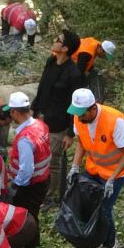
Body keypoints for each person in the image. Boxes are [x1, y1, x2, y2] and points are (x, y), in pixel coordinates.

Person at [65, 89, 124, 248]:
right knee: (87, 206)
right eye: (77, 114)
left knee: (104, 209)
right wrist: (75, 166)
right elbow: (81, 143)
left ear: (93, 109)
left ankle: (109, 245)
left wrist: (112, 179)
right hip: (94, 168)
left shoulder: (114, 120)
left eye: (82, 114)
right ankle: (88, 246)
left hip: (115, 172)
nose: (79, 118)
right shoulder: (78, 117)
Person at [31, 30, 82, 202]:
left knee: (53, 163)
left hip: (59, 125)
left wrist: (70, 133)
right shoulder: (51, 61)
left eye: (58, 40)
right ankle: (39, 188)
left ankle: (51, 196)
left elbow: (75, 106)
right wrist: (34, 110)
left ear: (66, 48)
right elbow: (42, 87)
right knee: (37, 156)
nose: (54, 40)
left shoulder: (74, 74)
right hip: (41, 118)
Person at [4, 92, 52, 220]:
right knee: (32, 215)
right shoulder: (40, 124)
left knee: (26, 219)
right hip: (43, 179)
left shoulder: (25, 139)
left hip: (30, 187)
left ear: (14, 112)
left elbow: (26, 171)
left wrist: (15, 186)